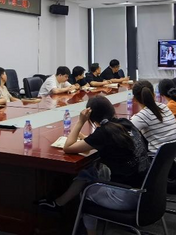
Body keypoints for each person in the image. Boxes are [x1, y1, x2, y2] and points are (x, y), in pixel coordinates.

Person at [38, 96, 149, 235]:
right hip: (146, 190)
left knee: (86, 191)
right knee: (90, 171)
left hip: (127, 196)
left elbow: (68, 147)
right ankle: (59, 203)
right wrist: (86, 139)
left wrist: (80, 122)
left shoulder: (104, 133)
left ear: (90, 115)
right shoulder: (124, 123)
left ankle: (88, 230)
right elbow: (105, 142)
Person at [131, 80, 176, 153]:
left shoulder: (143, 116)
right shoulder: (164, 107)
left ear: (134, 99)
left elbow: (124, 133)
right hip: (175, 154)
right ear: (154, 94)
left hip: (158, 157)